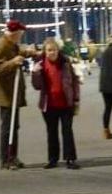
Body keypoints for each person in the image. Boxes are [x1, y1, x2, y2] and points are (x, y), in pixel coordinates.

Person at [31, 38, 81, 170]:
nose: (52, 52)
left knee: (67, 131)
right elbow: (37, 86)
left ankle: (70, 159)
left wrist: (76, 99)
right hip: (49, 105)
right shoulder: (41, 64)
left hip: (66, 104)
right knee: (51, 132)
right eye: (49, 50)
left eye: (54, 50)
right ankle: (52, 159)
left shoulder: (66, 63)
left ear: (58, 50)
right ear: (45, 51)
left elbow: (74, 82)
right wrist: (35, 73)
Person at [0, 20, 29, 170]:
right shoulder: (1, 46)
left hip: (13, 92)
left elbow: (19, 53)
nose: (21, 36)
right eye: (20, 34)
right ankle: (5, 159)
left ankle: (13, 156)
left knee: (14, 126)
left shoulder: (12, 44)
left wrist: (30, 53)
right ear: (14, 33)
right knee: (8, 127)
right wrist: (12, 62)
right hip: (6, 94)